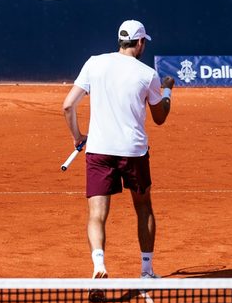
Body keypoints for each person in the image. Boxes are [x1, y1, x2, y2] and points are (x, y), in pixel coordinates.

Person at [62, 19, 174, 279]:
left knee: (97, 214)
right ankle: (146, 271)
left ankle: (98, 265)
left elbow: (68, 106)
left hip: (99, 151)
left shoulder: (94, 63)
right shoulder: (148, 75)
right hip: (133, 152)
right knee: (143, 206)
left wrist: (77, 136)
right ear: (140, 42)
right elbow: (160, 117)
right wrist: (167, 92)